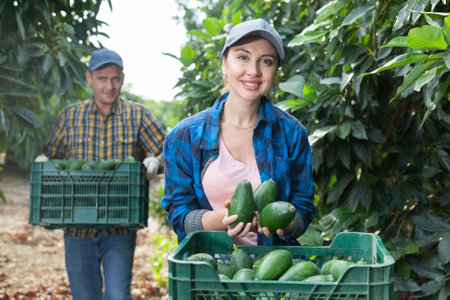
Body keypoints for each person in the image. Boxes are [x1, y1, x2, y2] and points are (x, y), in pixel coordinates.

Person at [161, 19, 315, 246]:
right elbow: (178, 216)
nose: (253, 71)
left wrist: (280, 223)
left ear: (275, 71)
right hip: (209, 268)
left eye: (266, 61)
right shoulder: (184, 136)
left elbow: (303, 208)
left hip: (274, 269)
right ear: (224, 64)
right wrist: (224, 219)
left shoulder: (292, 134)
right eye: (242, 57)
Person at [34, 48, 165, 300]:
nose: (109, 86)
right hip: (77, 227)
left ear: (122, 79)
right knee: (85, 296)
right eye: (102, 79)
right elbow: (52, 155)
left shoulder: (137, 115)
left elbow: (166, 152)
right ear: (89, 78)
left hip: (120, 226)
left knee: (118, 295)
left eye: (115, 78)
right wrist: (45, 160)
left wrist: (154, 162)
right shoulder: (70, 117)